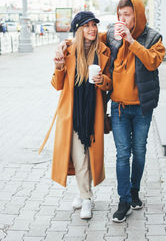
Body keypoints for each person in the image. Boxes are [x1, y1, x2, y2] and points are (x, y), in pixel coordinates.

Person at [39, 11, 112, 220]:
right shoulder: (68, 51)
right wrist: (59, 65)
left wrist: (102, 80)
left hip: (93, 113)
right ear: (79, 30)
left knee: (86, 156)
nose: (92, 29)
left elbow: (110, 82)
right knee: (79, 156)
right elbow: (57, 85)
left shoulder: (103, 50)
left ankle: (84, 196)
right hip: (72, 115)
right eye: (87, 26)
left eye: (94, 25)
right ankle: (85, 196)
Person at [100, 0, 165, 222]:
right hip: (119, 108)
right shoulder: (111, 34)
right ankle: (124, 200)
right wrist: (64, 44)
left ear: (136, 15)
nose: (122, 19)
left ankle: (134, 190)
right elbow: (87, 39)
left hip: (142, 109)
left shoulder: (153, 37)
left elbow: (152, 62)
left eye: (126, 14)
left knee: (139, 152)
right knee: (122, 155)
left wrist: (131, 40)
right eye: (120, 14)